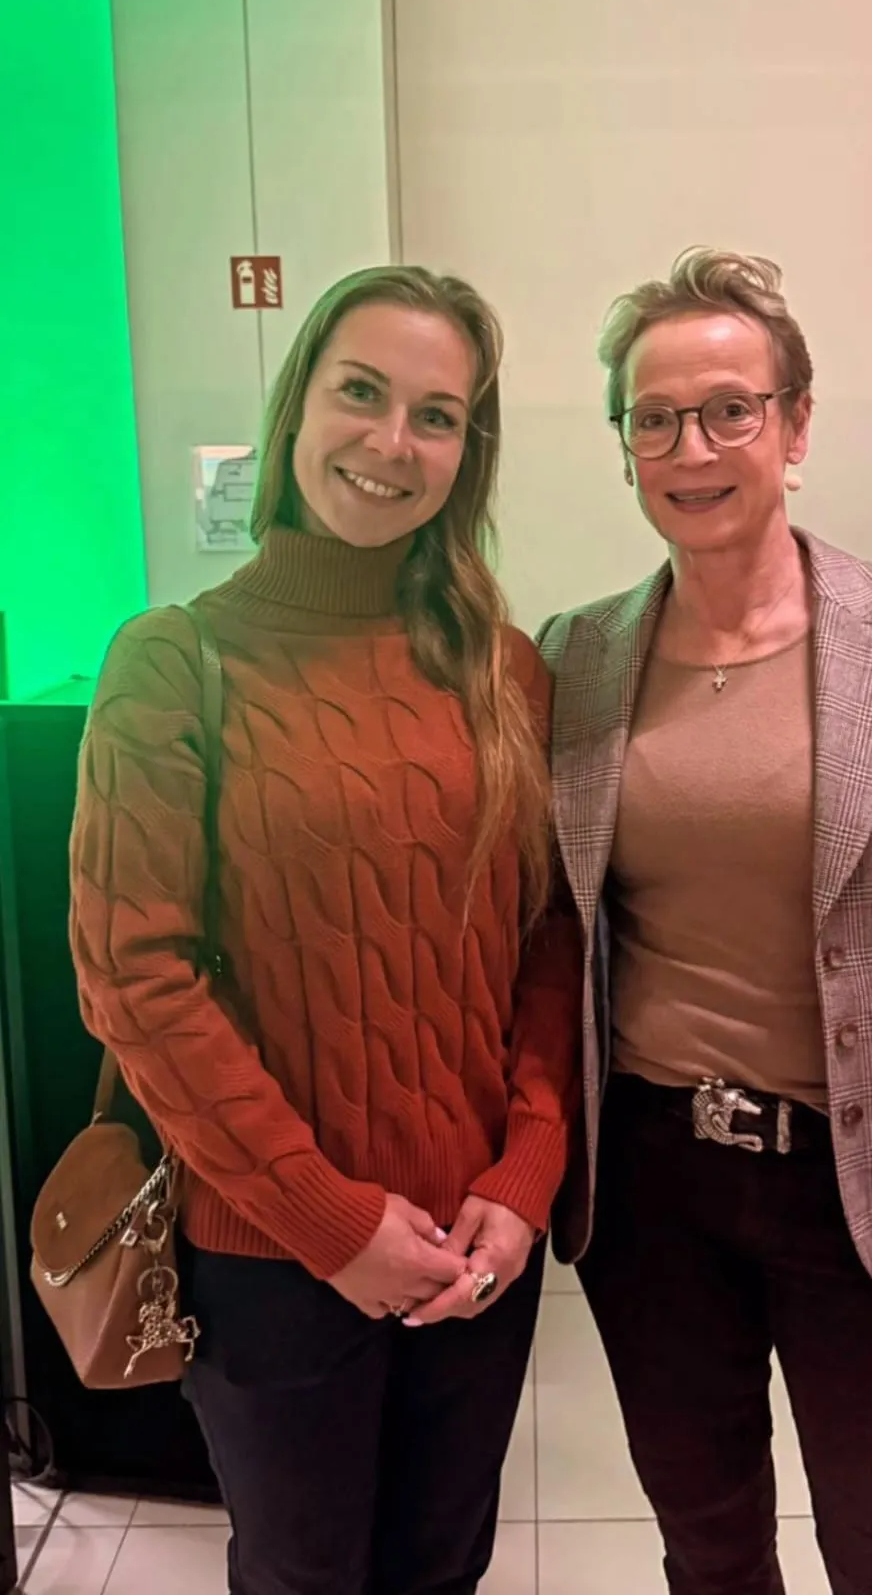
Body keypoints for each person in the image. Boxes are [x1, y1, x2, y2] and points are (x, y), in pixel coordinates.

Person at [70, 263, 581, 1595]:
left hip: (476, 1248)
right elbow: (134, 976)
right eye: (361, 392)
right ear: (298, 403)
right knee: (303, 1576)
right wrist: (329, 1220)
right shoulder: (173, 661)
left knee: (442, 1568)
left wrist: (525, 1175)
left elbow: (548, 939)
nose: (390, 442)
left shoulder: (504, 670)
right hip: (271, 1254)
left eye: (436, 415)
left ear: (466, 452)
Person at [537, 246, 872, 1595]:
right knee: (709, 1553)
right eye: (653, 418)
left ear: (795, 427)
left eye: (729, 410)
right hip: (651, 1188)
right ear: (623, 445)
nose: (690, 448)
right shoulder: (575, 657)